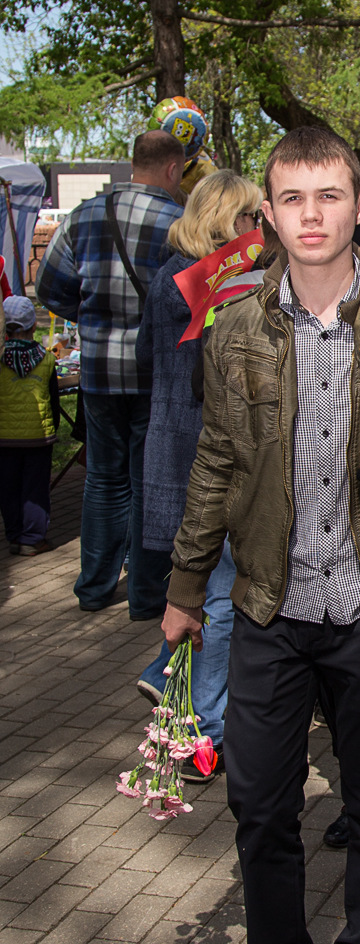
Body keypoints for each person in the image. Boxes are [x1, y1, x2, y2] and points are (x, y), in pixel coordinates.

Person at [161, 126, 360, 944]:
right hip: (273, 605)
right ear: (267, 213)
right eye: (294, 199)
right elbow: (216, 462)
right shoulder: (236, 326)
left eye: (331, 196)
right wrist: (187, 587)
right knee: (259, 804)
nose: (312, 216)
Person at [135, 170, 264, 781]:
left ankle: (163, 666)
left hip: (170, 447)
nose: (257, 230)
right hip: (212, 457)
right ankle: (205, 734)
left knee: (201, 587)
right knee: (219, 596)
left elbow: (146, 361)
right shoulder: (227, 283)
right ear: (228, 220)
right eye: (250, 218)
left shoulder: (166, 280)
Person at [36, 130, 185, 618]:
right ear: (171, 169)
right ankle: (145, 596)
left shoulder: (82, 216)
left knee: (102, 479)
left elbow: (49, 287)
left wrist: (92, 319)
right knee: (148, 482)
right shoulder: (178, 222)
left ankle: (94, 587)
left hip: (98, 371)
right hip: (153, 372)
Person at [0, 296, 59, 556]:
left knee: (8, 486)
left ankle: (13, 534)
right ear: (33, 326)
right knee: (35, 487)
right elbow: (54, 400)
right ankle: (33, 538)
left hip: (4, 437)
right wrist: (53, 427)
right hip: (38, 436)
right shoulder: (45, 359)